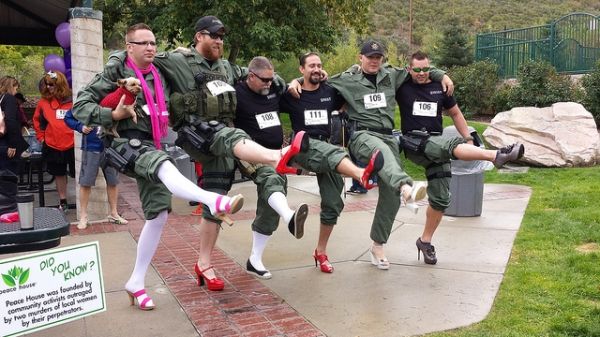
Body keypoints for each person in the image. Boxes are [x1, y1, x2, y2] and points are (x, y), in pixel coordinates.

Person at [73, 23, 244, 309]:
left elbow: (194, 66)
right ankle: (215, 201)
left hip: (153, 142)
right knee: (164, 165)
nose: (151, 48)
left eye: (153, 43)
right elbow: (80, 105)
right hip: (124, 142)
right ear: (129, 47)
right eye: (143, 44)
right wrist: (110, 113)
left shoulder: (159, 73)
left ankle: (136, 282)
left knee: (158, 216)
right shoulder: (117, 71)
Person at [150, 16, 319, 287]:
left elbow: (260, 74)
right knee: (215, 200)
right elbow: (139, 58)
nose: (219, 41)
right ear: (198, 37)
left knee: (225, 197)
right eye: (213, 36)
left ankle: (212, 261)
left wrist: (294, 81)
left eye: (221, 37)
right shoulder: (177, 61)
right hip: (202, 138)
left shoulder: (227, 67)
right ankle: (279, 155)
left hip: (229, 141)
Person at [289, 40, 454, 270]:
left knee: (389, 192)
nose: (375, 60)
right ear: (361, 58)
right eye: (370, 57)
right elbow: (314, 79)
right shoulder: (347, 79)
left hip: (388, 135)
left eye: (378, 57)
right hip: (363, 136)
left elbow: (418, 71)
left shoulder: (392, 76)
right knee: (382, 154)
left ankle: (378, 246)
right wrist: (295, 81)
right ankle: (407, 186)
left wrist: (441, 74)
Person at [242, 55, 383, 275]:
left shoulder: (329, 92)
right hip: (303, 149)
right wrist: (295, 82)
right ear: (301, 69)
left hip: (327, 150)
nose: (316, 69)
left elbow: (350, 88)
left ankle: (321, 251)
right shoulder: (291, 94)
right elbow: (266, 99)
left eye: (319, 65)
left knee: (333, 203)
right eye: (311, 66)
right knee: (327, 157)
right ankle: (361, 174)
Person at [396, 51, 524, 265]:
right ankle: (497, 155)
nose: (421, 73)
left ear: (430, 68)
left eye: (425, 69)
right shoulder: (402, 86)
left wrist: (468, 136)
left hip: (436, 145)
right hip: (414, 143)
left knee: (441, 199)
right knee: (452, 145)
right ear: (409, 69)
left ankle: (425, 242)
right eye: (416, 69)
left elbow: (455, 113)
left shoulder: (440, 87)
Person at [64, 109, 128, 230]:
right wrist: (80, 126)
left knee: (113, 181)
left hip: (111, 146)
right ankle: (83, 216)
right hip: (91, 146)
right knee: (86, 182)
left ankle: (114, 213)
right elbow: (68, 117)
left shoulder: (112, 98)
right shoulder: (87, 99)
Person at [33, 71, 75, 211]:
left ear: (60, 84)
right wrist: (41, 137)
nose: (49, 87)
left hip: (74, 144)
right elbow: (37, 121)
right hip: (53, 144)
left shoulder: (74, 100)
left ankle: (84, 201)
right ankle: (63, 200)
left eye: (52, 84)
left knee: (79, 173)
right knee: (59, 173)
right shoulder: (43, 102)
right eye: (47, 84)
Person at [0, 76, 28, 174]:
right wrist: (12, 145)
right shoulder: (9, 99)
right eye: (16, 88)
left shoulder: (1, 99)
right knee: (8, 179)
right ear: (11, 86)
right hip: (7, 143)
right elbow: (10, 120)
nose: (16, 92)